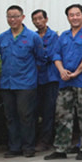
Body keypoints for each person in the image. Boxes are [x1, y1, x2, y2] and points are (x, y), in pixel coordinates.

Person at [45, 4, 82, 160]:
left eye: (77, 14)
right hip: (65, 81)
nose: (74, 17)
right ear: (68, 17)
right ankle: (61, 148)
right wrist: (62, 70)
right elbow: (56, 55)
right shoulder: (64, 35)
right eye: (71, 15)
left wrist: (76, 73)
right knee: (62, 114)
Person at [0, 5, 46, 158]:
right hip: (7, 83)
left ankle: (28, 147)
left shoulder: (32, 37)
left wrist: (30, 74)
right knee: (10, 117)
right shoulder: (3, 37)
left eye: (15, 16)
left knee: (26, 116)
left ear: (22, 17)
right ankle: (14, 147)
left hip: (26, 84)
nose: (12, 19)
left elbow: (41, 58)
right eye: (9, 17)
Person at [31, 9, 60, 152]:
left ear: (46, 19)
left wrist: (38, 58)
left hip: (50, 78)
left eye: (40, 18)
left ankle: (46, 140)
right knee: (36, 110)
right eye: (35, 19)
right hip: (36, 79)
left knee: (49, 111)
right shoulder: (33, 36)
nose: (38, 22)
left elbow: (49, 55)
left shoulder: (53, 36)